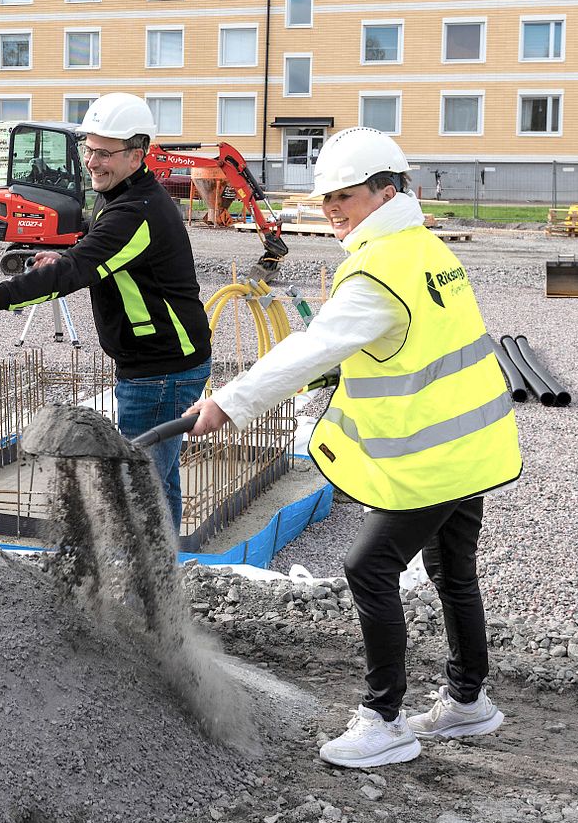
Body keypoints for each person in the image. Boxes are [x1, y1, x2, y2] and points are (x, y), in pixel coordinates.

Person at [187, 126, 521, 769]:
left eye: (345, 196)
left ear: (386, 191)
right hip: (472, 445)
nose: (332, 209)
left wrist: (229, 403)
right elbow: (391, 343)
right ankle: (468, 701)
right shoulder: (424, 248)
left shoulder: (377, 270)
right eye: (326, 199)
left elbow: (313, 347)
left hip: (433, 458)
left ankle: (385, 719)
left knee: (368, 568)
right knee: (453, 572)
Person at [0, 93, 211, 533]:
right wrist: (66, 254)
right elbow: (91, 253)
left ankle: (147, 578)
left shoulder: (138, 211)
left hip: (162, 369)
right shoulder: (119, 195)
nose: (92, 162)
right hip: (155, 362)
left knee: (137, 483)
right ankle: (164, 573)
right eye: (88, 149)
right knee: (154, 479)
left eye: (104, 153)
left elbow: (78, 270)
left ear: (136, 154)